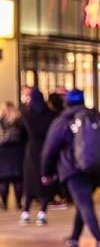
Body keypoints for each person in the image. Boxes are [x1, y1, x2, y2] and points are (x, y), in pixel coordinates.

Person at [41, 89, 100, 247]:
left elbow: (50, 149)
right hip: (95, 169)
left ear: (67, 102)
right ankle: (74, 237)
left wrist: (46, 172)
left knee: (84, 204)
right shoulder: (95, 116)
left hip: (73, 169)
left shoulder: (64, 120)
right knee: (83, 202)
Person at [20, 88, 61, 226]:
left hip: (31, 152)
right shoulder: (51, 115)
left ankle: (25, 212)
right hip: (46, 150)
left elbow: (22, 133)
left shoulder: (27, 115)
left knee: (30, 183)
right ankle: (42, 213)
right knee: (45, 182)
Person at [0, 101, 27, 212]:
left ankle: (5, 204)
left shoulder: (5, 122)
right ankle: (18, 204)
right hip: (17, 153)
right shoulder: (20, 121)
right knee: (17, 179)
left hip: (5, 153)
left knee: (4, 180)